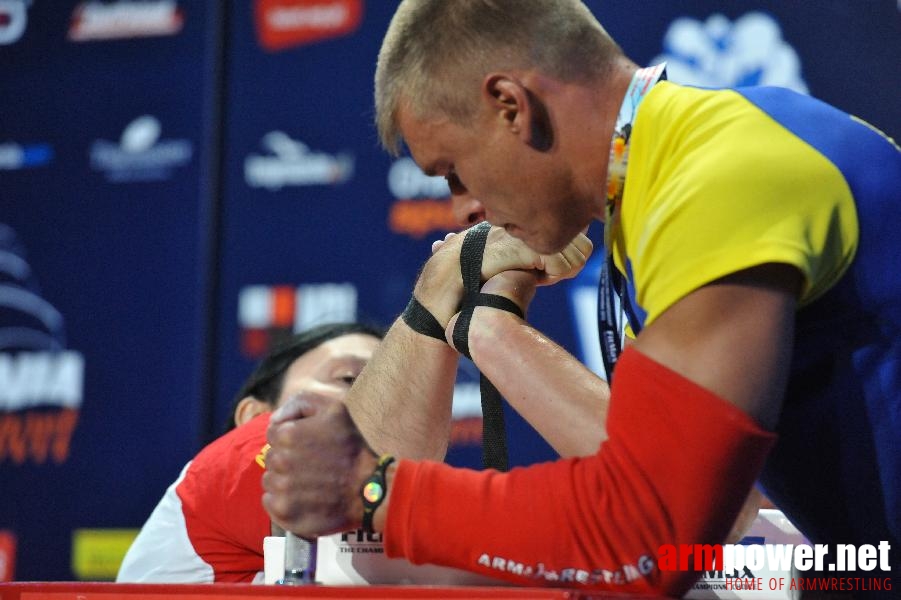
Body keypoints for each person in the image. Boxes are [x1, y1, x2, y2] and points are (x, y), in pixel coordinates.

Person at [262, 0, 901, 595]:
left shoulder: (718, 180)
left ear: (511, 106)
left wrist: (374, 490)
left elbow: (648, 537)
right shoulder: (681, 170)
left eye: (453, 171)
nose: (461, 210)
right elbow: (714, 520)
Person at [116, 322, 384, 583]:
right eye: (350, 378)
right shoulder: (234, 459)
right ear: (255, 414)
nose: (382, 402)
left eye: (399, 393)